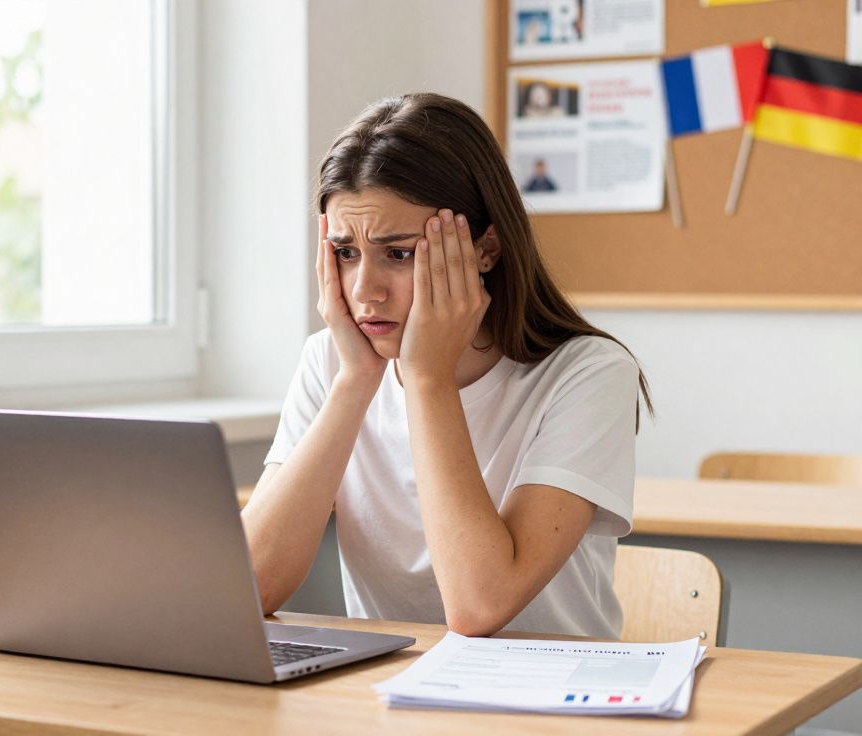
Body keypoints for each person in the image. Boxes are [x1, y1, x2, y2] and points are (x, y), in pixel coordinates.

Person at [241, 93, 652, 640]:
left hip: (547, 705)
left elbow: (479, 607)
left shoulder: (588, 373)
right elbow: (251, 587)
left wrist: (429, 380)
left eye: (399, 253)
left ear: (485, 250)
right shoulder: (332, 363)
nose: (365, 291)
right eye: (345, 253)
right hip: (384, 703)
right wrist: (355, 382)